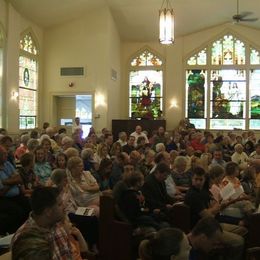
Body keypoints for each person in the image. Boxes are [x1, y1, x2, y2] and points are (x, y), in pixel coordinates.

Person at [12, 186, 73, 260]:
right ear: (48, 212)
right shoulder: (24, 239)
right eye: (59, 204)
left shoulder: (57, 224)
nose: (64, 206)